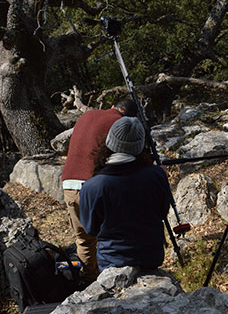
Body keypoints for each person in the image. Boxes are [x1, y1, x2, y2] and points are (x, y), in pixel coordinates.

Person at [79, 117, 171, 271]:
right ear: (141, 145)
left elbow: (90, 229)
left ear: (109, 142)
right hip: (151, 256)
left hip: (112, 262)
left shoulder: (93, 187)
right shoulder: (157, 175)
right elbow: (162, 212)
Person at [61, 98, 137, 281]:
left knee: (84, 240)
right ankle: (113, 280)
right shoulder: (120, 124)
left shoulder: (87, 115)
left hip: (68, 183)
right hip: (94, 186)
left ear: (112, 106)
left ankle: (89, 281)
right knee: (109, 235)